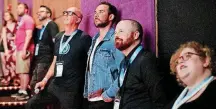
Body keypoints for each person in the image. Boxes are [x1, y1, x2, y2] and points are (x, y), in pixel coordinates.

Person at [26, 7, 92, 109]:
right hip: (55, 85)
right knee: (32, 104)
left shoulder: (84, 38)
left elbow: (91, 64)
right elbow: (55, 61)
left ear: (78, 19)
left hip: (72, 88)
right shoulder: (58, 36)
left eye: (70, 13)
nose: (65, 14)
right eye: (65, 12)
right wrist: (45, 80)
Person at [113, 19, 167, 109]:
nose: (116, 35)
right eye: (115, 32)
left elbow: (160, 99)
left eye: (121, 31)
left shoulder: (146, 60)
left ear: (135, 35)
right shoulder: (124, 63)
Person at [83, 2, 124, 109]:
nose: (96, 15)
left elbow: (124, 71)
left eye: (101, 12)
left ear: (111, 16)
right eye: (95, 12)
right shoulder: (94, 39)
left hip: (107, 101)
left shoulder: (115, 39)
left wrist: (109, 93)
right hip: (91, 99)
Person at [166, 41, 216, 109]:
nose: (180, 61)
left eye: (188, 55)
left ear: (205, 61)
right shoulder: (178, 98)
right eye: (177, 62)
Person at [30, 5, 59, 93]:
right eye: (38, 12)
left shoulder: (52, 24)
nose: (39, 13)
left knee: (39, 87)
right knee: (33, 84)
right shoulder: (44, 27)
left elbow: (56, 41)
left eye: (41, 11)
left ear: (48, 14)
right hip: (39, 60)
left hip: (46, 61)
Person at [11, 3, 35, 100]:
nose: (18, 9)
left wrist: (24, 49)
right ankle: (21, 90)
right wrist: (15, 50)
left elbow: (29, 35)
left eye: (20, 8)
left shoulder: (28, 19)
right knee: (21, 71)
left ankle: (24, 92)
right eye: (17, 8)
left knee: (24, 72)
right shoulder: (21, 20)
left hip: (25, 49)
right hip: (19, 48)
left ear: (26, 10)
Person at [0, 11, 18, 86]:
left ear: (11, 16)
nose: (5, 16)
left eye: (7, 15)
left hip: (15, 46)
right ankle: (9, 78)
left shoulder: (17, 25)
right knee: (7, 62)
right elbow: (4, 39)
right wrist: (6, 50)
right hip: (8, 46)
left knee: (14, 62)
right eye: (4, 15)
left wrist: (13, 38)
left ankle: (16, 79)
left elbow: (19, 36)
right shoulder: (4, 27)